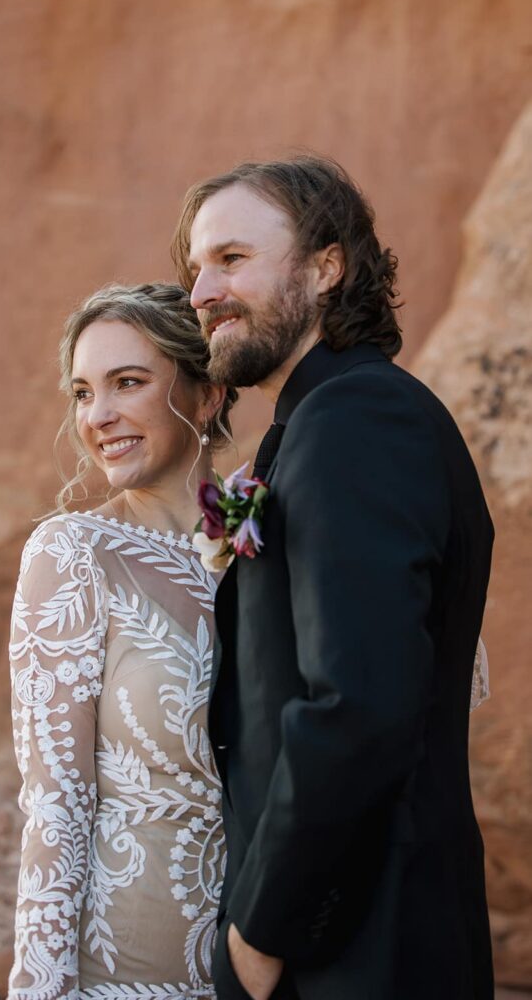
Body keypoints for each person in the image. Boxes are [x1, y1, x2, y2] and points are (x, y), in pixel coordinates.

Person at [171, 156, 494, 1000]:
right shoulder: (321, 424)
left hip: (360, 950)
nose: (201, 290)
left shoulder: (358, 422)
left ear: (325, 267)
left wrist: (259, 935)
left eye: (231, 259)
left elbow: (359, 703)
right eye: (195, 268)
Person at [7, 283, 234, 1000]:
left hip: (277, 970)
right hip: (132, 978)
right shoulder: (73, 553)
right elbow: (56, 803)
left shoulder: (270, 538)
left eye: (126, 383)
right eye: (81, 393)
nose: (97, 417)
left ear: (207, 395)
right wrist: (43, 988)